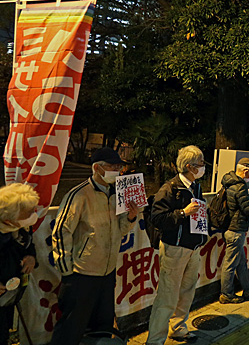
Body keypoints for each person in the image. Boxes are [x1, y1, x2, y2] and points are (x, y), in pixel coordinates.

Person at [51, 147, 140, 345]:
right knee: (71, 326)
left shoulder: (117, 194)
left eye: (119, 167)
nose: (117, 171)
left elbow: (120, 230)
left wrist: (131, 217)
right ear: (97, 168)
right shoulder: (79, 194)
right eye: (112, 166)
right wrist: (67, 271)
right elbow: (60, 232)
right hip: (82, 274)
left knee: (102, 326)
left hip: (107, 273)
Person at [146, 145, 209, 344]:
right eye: (201, 163)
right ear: (190, 166)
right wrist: (183, 213)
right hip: (174, 248)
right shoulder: (169, 189)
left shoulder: (195, 186)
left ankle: (178, 328)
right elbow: (157, 218)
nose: (203, 167)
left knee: (187, 292)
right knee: (167, 296)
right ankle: (155, 340)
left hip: (193, 247)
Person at [220, 158, 249, 302]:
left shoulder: (229, 182)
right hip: (236, 229)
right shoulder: (240, 187)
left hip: (230, 227)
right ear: (245, 171)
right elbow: (247, 209)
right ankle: (226, 294)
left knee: (240, 263)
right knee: (230, 265)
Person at [0, 184, 39, 345]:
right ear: (8, 219)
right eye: (28, 213)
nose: (33, 215)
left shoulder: (20, 229)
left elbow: (28, 247)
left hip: (7, 298)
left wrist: (31, 257)